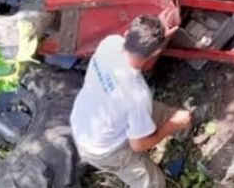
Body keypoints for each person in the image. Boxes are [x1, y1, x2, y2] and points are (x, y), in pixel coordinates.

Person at [70, 14, 193, 188]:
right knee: (153, 183)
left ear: (127, 34)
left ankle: (186, 132)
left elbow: (138, 42)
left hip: (85, 122)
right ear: (156, 52)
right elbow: (139, 145)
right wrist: (171, 125)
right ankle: (178, 128)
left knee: (162, 113)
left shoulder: (109, 44)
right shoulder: (137, 94)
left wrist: (154, 30)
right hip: (103, 149)